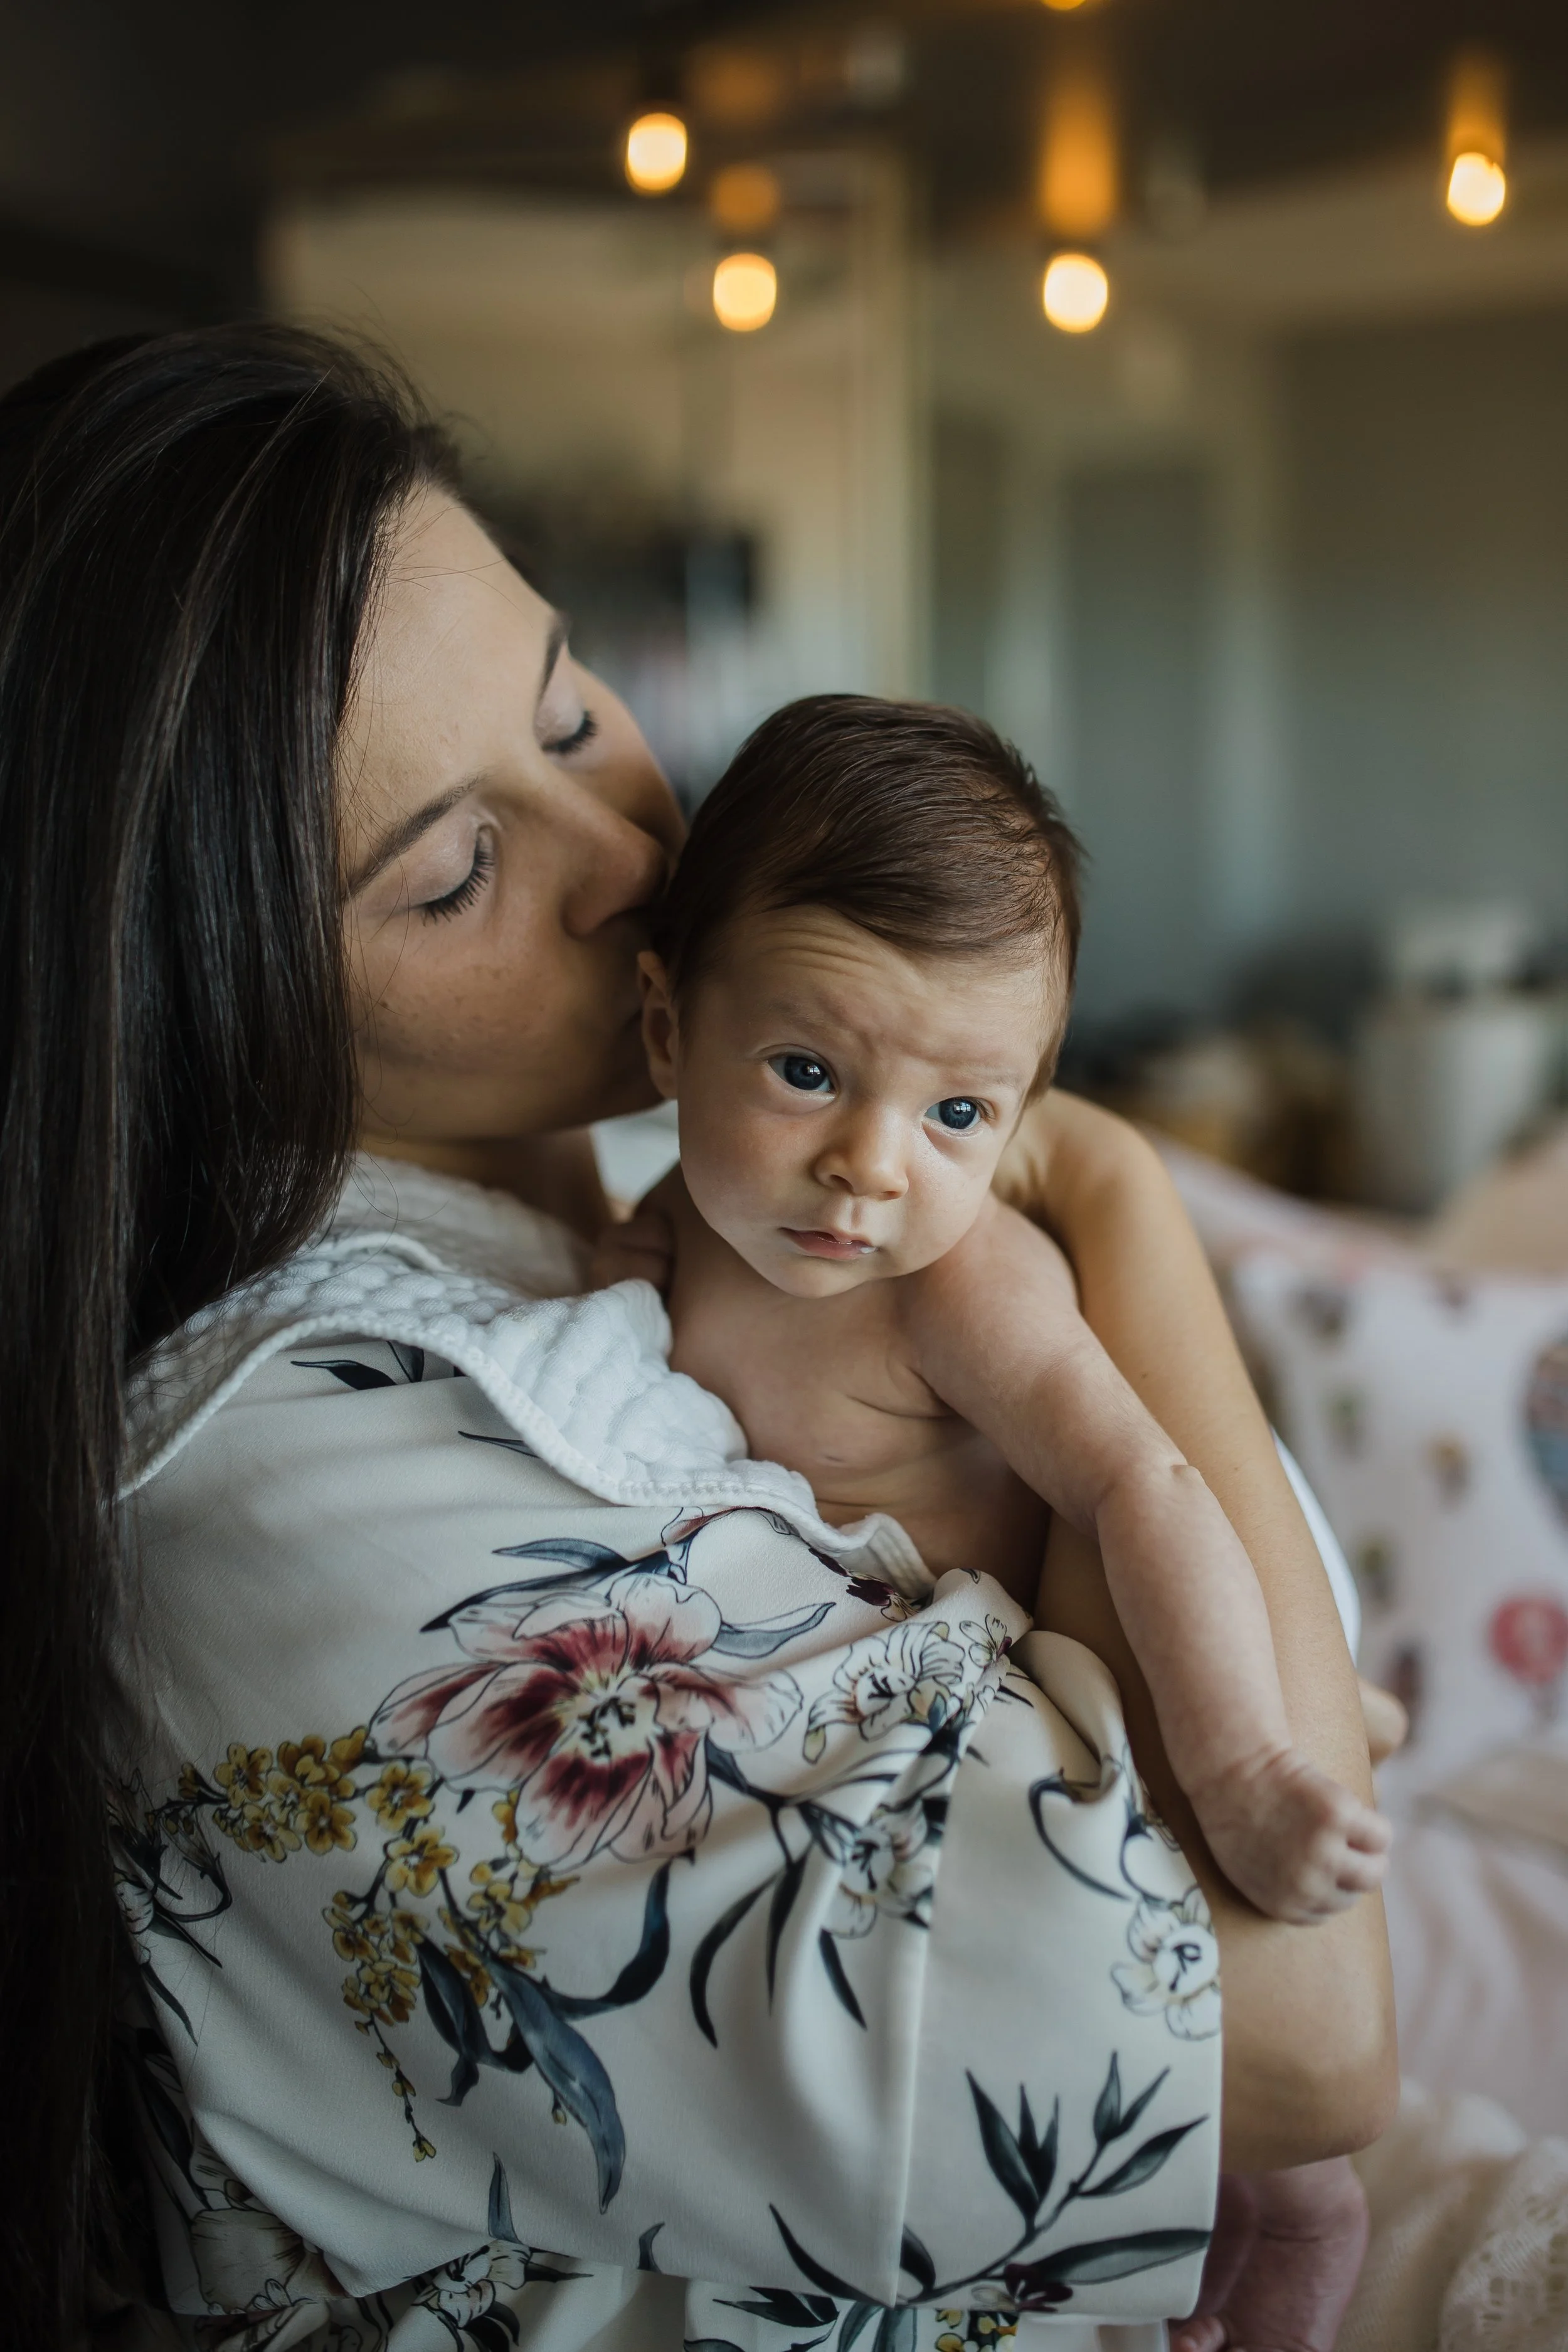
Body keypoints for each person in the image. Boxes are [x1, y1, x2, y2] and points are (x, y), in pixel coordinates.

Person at [0, 326, 1396, 2352]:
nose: (640, 862)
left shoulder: (627, 1226)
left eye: (574, 715)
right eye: (461, 869)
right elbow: (1297, 2031)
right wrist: (1101, 1190)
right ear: (180, 1009)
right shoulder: (276, 1473)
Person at [623, 694, 1391, 1932]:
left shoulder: (951, 1286)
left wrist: (1243, 1767)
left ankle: (1327, 1706)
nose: (870, 1165)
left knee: (1245, 1657)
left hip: (1189, 1565)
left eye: (958, 1114)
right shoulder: (679, 1211)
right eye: (805, 1073)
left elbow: (1143, 1485)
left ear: (1025, 1110)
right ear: (667, 1033)